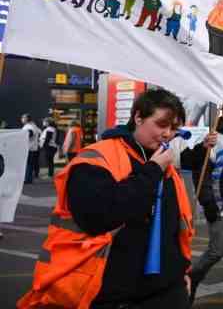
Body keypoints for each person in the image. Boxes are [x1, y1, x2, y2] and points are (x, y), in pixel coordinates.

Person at [17, 89, 195, 308]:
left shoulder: (165, 167)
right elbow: (99, 217)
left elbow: (174, 228)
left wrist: (181, 272)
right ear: (138, 117)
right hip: (108, 293)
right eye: (161, 124)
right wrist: (152, 171)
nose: (168, 134)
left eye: (174, 128)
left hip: (166, 291)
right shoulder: (96, 159)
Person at [182, 97, 223, 304]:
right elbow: (199, 172)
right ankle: (191, 280)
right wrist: (209, 204)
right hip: (220, 208)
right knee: (217, 250)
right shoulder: (213, 138)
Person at [21, 114, 41, 184]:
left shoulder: (29, 126)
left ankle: (27, 179)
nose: (21, 119)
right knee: (30, 164)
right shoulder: (33, 126)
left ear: (26, 118)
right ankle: (29, 179)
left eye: (23, 118)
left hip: (29, 148)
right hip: (33, 148)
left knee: (28, 165)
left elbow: (30, 134)